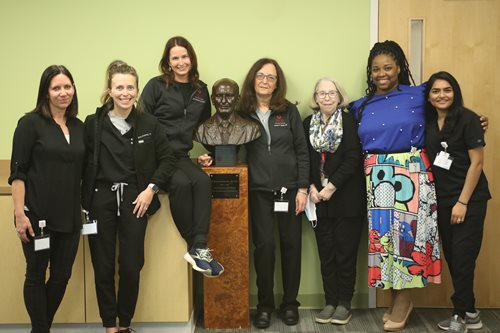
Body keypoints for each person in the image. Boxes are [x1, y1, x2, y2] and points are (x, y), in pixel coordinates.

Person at [349, 40, 442, 331]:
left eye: (388, 67)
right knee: (384, 240)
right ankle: (395, 297)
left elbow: (447, 102)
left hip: (411, 173)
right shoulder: (360, 106)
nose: (382, 73)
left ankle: (404, 299)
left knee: (407, 238)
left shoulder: (419, 94)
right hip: (375, 175)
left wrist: (474, 121)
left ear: (399, 68)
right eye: (376, 69)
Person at [81, 60, 176, 333]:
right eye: (119, 87)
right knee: (103, 266)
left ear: (136, 90)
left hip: (136, 199)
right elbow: (79, 161)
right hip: (101, 200)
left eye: (130, 87)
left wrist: (151, 189)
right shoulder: (93, 124)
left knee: (132, 265)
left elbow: (167, 159)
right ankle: (109, 326)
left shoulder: (149, 123)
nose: (125, 92)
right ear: (109, 90)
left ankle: (125, 324)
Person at [9, 65, 84, 333]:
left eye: (67, 87)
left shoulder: (78, 126)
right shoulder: (30, 124)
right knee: (36, 274)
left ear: (74, 90)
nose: (63, 93)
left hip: (70, 216)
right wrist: (20, 214)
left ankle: (40, 329)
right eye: (56, 88)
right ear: (46, 92)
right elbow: (17, 173)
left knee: (62, 275)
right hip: (36, 216)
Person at [141, 36, 224, 277]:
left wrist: (211, 154)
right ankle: (195, 246)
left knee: (202, 181)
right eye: (175, 58)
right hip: (159, 155)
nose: (180, 62)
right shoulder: (155, 86)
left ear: (191, 58)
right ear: (167, 62)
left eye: (184, 56)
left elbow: (205, 127)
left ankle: (199, 246)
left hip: (181, 155)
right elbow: (142, 122)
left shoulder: (201, 90)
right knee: (179, 183)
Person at [238, 58, 309, 328]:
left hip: (290, 191)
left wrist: (302, 188)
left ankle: (290, 304)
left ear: (277, 83)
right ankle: (265, 305)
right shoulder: (242, 112)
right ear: (252, 79)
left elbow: (302, 151)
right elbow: (229, 144)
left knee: (291, 246)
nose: (265, 81)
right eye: (260, 76)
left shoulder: (288, 111)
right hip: (258, 192)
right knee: (264, 248)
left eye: (271, 77)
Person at [424, 71, 491, 333]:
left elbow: (477, 163)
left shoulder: (469, 119)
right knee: (454, 257)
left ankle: (459, 315)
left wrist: (462, 202)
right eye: (436, 91)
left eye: (447, 90)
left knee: (463, 257)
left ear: (456, 92)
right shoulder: (429, 122)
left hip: (469, 199)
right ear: (428, 97)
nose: (442, 95)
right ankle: (472, 312)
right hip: (442, 199)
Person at [303, 78, 366, 325]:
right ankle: (329, 302)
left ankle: (344, 303)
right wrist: (311, 186)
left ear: (340, 97)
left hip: (347, 198)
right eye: (322, 93)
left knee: (345, 253)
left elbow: (353, 158)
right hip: (318, 199)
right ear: (316, 98)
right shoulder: (308, 123)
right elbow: (304, 156)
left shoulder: (350, 121)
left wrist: (330, 187)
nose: (327, 97)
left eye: (332, 93)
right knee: (326, 254)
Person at [194, 78, 261, 146]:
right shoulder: (201, 129)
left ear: (237, 99)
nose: (223, 101)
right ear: (213, 99)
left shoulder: (252, 129)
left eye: (229, 96)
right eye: (219, 96)